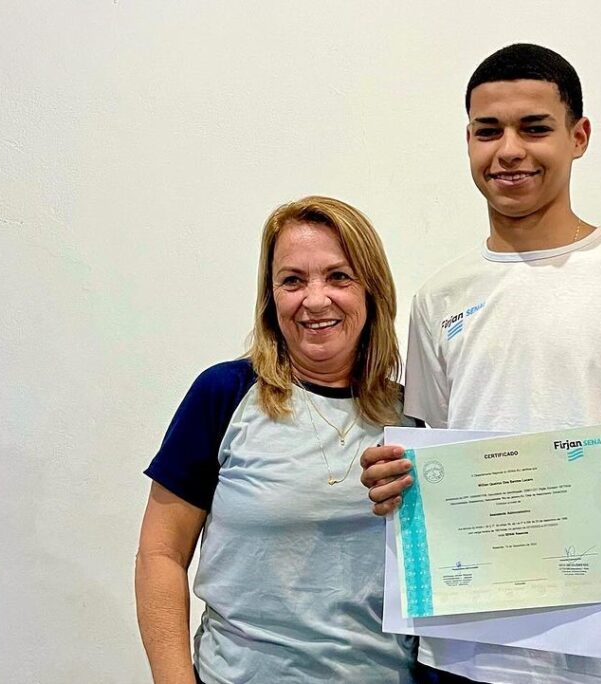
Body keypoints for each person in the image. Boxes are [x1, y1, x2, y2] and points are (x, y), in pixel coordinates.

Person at [360, 44, 601, 684]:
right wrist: (394, 479)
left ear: (579, 136)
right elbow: (432, 449)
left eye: (534, 128)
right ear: (468, 142)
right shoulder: (440, 297)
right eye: (488, 131)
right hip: (466, 653)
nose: (509, 150)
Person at [135, 196, 425, 683]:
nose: (315, 300)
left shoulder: (414, 416)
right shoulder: (223, 395)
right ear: (271, 297)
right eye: (292, 281)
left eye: (338, 276)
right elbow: (160, 554)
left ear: (372, 290)